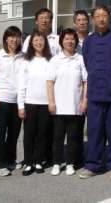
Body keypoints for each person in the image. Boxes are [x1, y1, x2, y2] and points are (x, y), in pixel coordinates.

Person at [79, 5, 111, 180]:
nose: (101, 19)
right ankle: (92, 165)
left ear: (109, 18)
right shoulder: (88, 41)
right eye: (97, 16)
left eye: (104, 16)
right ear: (93, 19)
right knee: (94, 130)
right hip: (94, 93)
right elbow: (87, 63)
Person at [22, 8, 60, 166]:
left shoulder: (57, 39)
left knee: (47, 129)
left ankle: (45, 157)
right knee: (31, 131)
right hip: (32, 96)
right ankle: (31, 158)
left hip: (50, 93)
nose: (45, 20)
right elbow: (25, 60)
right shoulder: (29, 39)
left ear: (51, 21)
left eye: (47, 18)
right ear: (36, 20)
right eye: (41, 18)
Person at [47, 28, 88, 176]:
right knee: (57, 138)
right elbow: (50, 82)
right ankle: (57, 163)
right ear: (61, 42)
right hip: (58, 106)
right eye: (66, 39)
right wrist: (51, 101)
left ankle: (70, 163)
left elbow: (86, 82)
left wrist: (84, 101)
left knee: (73, 138)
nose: (69, 41)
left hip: (75, 106)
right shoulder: (55, 60)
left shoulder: (80, 59)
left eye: (72, 39)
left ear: (76, 42)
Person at [0, 26, 24, 177]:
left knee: (14, 134)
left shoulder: (23, 56)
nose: (14, 40)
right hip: (2, 100)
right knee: (0, 134)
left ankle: (10, 160)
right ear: (6, 39)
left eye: (16, 37)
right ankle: (0, 165)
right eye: (11, 37)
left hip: (18, 101)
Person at [17, 31, 52, 176]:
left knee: (43, 133)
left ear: (45, 42)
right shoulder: (26, 61)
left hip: (45, 103)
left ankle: (38, 161)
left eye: (41, 40)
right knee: (29, 134)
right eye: (36, 40)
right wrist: (20, 105)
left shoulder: (51, 60)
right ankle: (29, 162)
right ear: (31, 43)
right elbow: (21, 85)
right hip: (30, 102)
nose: (39, 43)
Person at [73, 10, 90, 167]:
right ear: (75, 23)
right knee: (76, 126)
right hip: (76, 89)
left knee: (93, 125)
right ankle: (76, 158)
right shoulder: (70, 41)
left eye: (85, 20)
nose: (82, 22)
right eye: (79, 20)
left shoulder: (93, 39)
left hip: (94, 86)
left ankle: (93, 156)